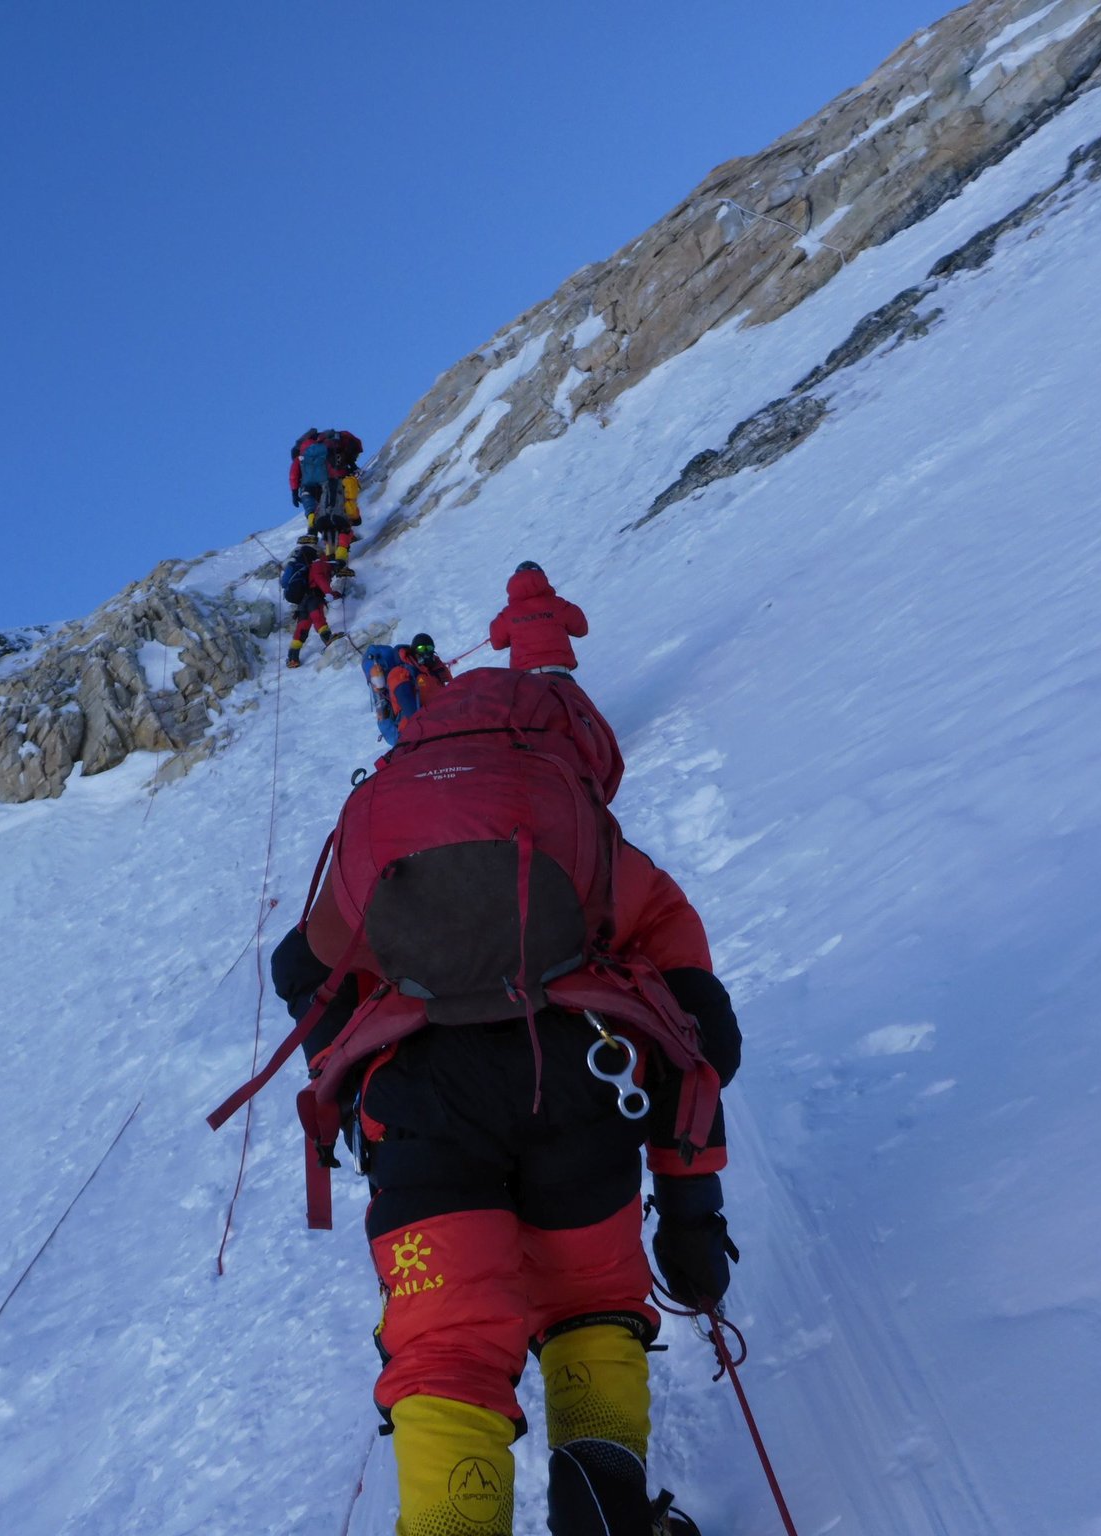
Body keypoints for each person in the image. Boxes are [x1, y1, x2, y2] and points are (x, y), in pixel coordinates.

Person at [231, 669, 741, 1536]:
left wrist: (348, 1081)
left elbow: (300, 966)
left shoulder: (382, 829)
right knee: (588, 1305)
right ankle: (605, 1506)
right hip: (579, 1082)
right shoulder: (588, 841)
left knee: (447, 1344)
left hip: (421, 1110)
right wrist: (691, 1212)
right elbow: (698, 1039)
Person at [489, 561, 588, 673]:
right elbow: (582, 630)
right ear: (542, 579)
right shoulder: (559, 605)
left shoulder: (508, 614)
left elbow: (497, 643)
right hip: (560, 672)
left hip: (526, 678)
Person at [291, 429, 365, 572]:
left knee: (314, 511)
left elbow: (293, 474)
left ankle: (316, 537)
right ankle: (340, 561)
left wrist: (294, 492)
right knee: (344, 530)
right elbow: (350, 503)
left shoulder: (302, 456)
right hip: (335, 501)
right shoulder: (330, 445)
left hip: (314, 496)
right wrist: (356, 519)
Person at [363, 633, 453, 746]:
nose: (426, 652)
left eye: (429, 648)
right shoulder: (400, 673)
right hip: (413, 734)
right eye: (421, 648)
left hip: (441, 726)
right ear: (414, 651)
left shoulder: (433, 673)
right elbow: (410, 708)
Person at [280, 538, 339, 669]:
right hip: (313, 597)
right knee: (318, 616)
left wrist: (335, 594)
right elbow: (319, 579)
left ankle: (292, 657)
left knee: (302, 627)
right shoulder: (320, 565)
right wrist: (329, 593)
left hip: (302, 601)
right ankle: (328, 638)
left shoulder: (306, 568)